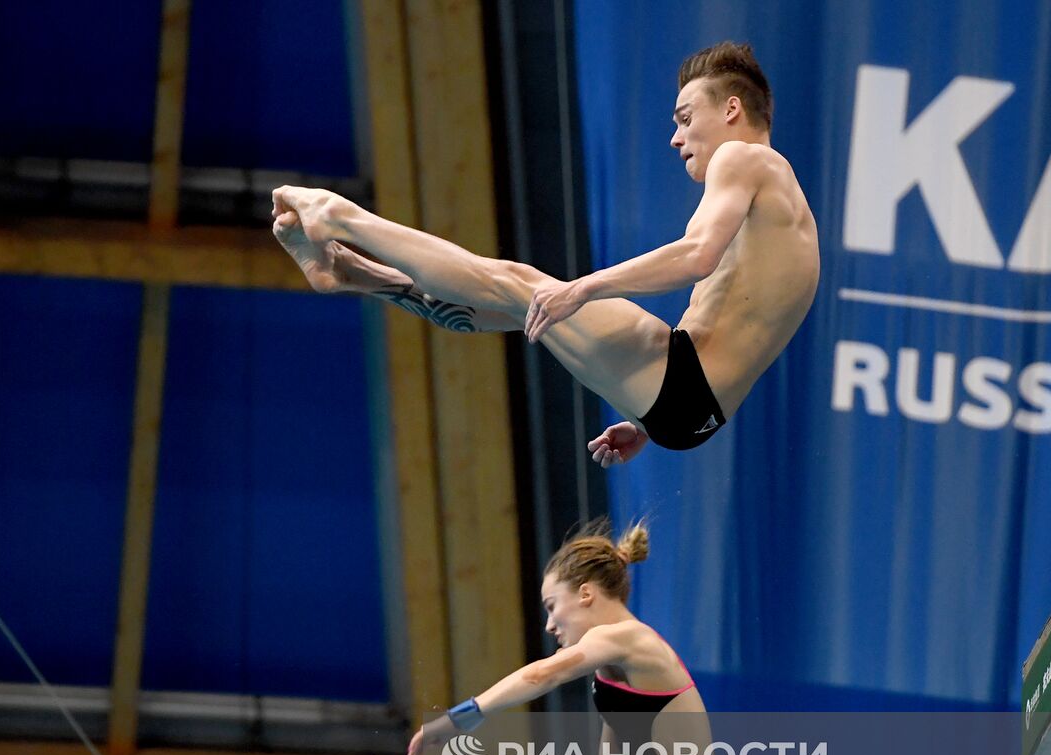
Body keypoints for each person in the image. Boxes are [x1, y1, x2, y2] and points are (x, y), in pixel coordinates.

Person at [270, 41, 818, 459]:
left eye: (684, 119)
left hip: (680, 384)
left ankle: (341, 217)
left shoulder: (746, 160)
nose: (675, 138)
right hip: (691, 411)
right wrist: (648, 424)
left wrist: (583, 287)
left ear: (730, 109)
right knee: (515, 305)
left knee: (518, 282)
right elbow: (744, 333)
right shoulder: (787, 217)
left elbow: (696, 254)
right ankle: (351, 272)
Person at [243, 521, 713, 755]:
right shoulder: (613, 677)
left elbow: (544, 675)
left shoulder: (631, 639)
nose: (550, 624)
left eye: (553, 606)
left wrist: (462, 715)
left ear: (586, 593)